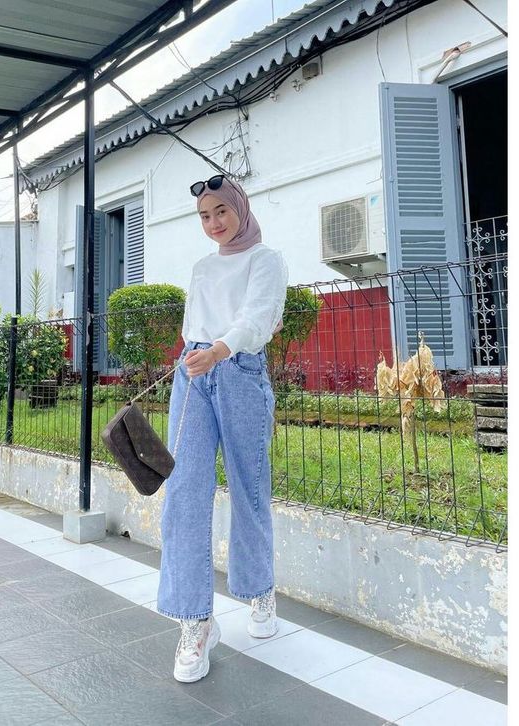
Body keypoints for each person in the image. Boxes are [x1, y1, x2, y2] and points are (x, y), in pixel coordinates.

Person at [156, 173, 289, 683]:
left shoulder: (265, 259)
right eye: (205, 216)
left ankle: (259, 591)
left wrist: (221, 349)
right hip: (194, 372)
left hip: (239, 371)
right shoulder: (201, 268)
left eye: (221, 211)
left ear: (240, 209)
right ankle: (195, 621)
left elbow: (258, 318)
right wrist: (200, 354)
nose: (213, 223)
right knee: (184, 491)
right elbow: (194, 324)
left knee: (248, 486)